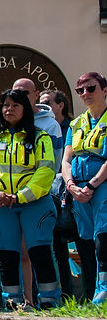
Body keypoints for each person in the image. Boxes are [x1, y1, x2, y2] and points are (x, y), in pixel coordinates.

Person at [0, 88, 60, 309]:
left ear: (25, 109)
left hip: (35, 204)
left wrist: (21, 196)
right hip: (0, 205)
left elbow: (46, 170)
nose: (9, 109)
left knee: (40, 251)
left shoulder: (40, 137)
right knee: (6, 254)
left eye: (15, 105)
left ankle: (50, 300)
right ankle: (12, 301)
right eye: (5, 105)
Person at [42, 88, 96, 300]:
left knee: (86, 245)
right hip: (54, 195)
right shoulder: (43, 129)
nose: (44, 106)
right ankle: (65, 296)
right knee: (57, 250)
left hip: (77, 192)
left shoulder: (72, 127)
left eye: (48, 102)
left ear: (61, 105)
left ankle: (92, 295)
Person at [62, 72, 107, 304]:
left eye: (90, 88)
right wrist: (70, 185)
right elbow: (66, 159)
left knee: (103, 237)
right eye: (80, 91)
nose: (85, 94)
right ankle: (91, 294)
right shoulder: (76, 123)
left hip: (101, 186)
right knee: (86, 241)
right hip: (78, 189)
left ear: (104, 90)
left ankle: (104, 288)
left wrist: (91, 185)